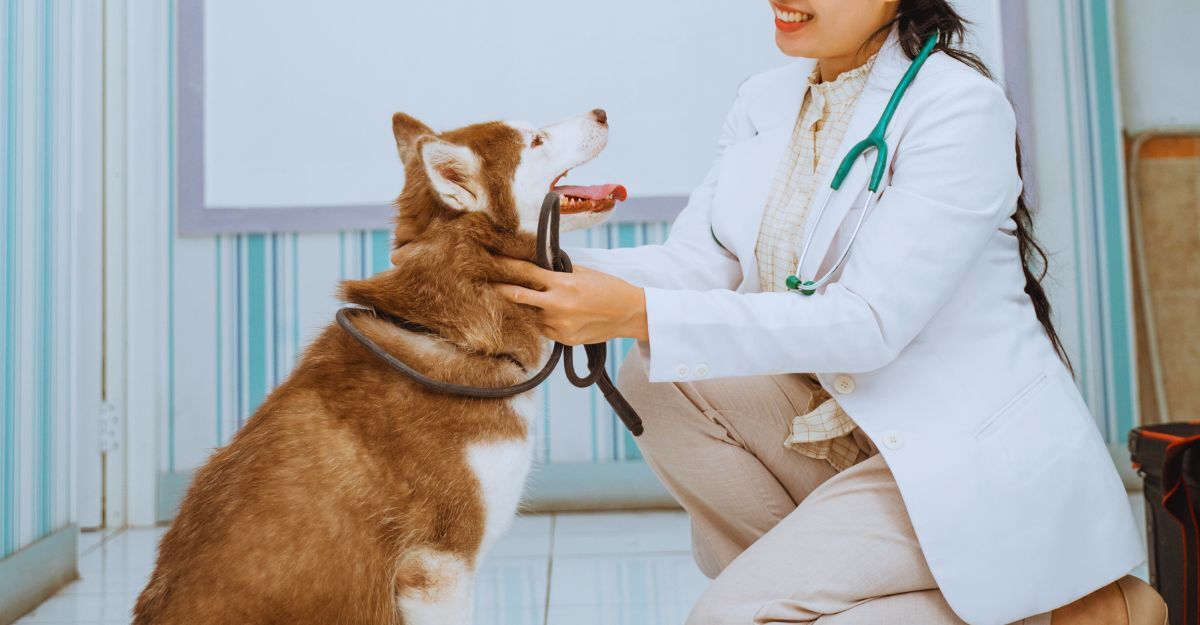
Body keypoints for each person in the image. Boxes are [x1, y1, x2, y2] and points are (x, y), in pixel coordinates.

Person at [490, 1, 1168, 623]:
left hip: (948, 459)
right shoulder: (765, 101)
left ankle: (1075, 607)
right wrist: (512, 268)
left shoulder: (959, 108)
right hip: (841, 431)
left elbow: (866, 322)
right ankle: (993, 603)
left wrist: (638, 312)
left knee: (729, 617)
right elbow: (697, 266)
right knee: (656, 376)